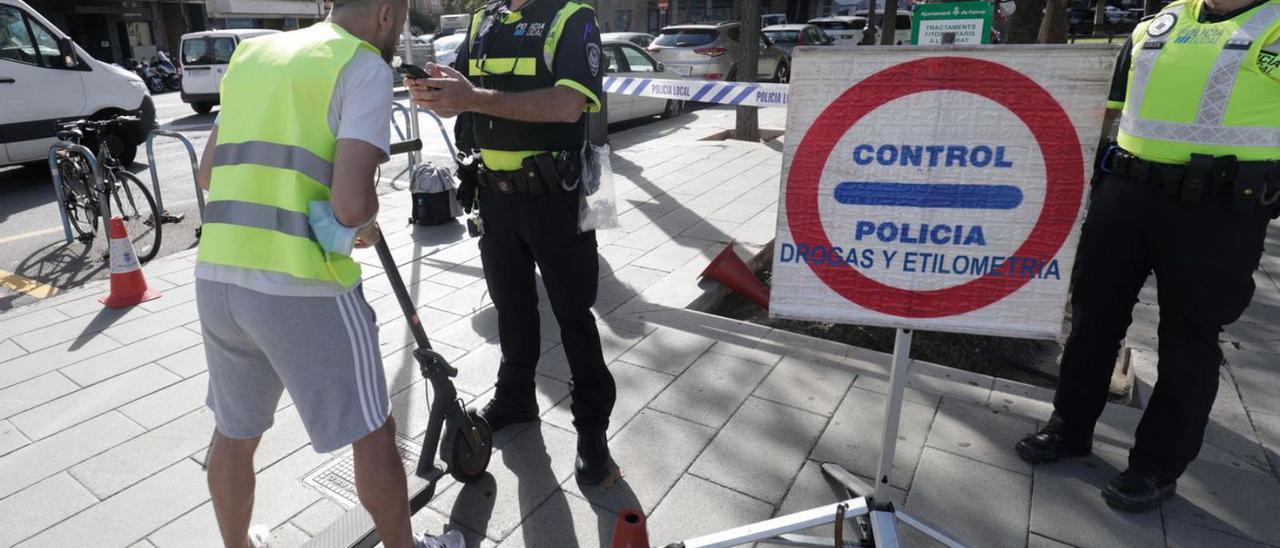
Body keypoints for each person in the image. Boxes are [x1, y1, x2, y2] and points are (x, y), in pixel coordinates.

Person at [194, 1, 462, 546]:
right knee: (374, 431)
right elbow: (349, 207)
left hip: (219, 276)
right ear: (386, 14)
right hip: (303, 284)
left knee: (235, 431)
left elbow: (206, 174)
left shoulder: (253, 54)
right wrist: (365, 224)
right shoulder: (361, 66)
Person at [1016, 0, 1280, 513]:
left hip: (1220, 210)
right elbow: (1111, 107)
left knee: (1188, 338)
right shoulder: (1163, 20)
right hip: (1127, 192)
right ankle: (1069, 429)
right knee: (1092, 318)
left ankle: (1156, 467)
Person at [405, 0, 618, 484]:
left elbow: (568, 105)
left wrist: (474, 98)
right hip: (494, 197)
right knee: (512, 308)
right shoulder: (485, 19)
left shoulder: (570, 16)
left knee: (574, 317)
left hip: (553, 198)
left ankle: (592, 433)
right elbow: (462, 87)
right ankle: (517, 397)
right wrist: (434, 86)